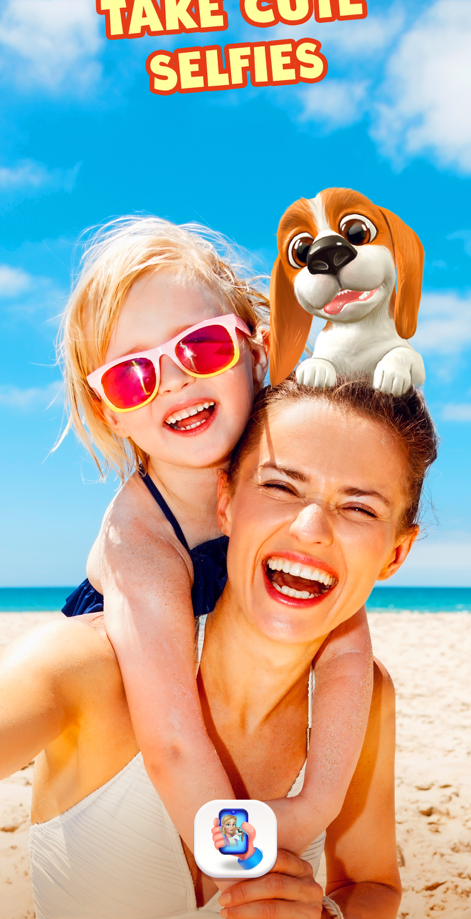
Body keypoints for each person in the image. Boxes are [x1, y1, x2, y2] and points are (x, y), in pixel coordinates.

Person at [0, 377, 438, 919]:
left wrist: (325, 914)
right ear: (226, 501)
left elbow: (371, 884)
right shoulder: (86, 666)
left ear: (395, 554)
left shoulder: (364, 699)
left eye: (360, 509)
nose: (311, 529)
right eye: (281, 487)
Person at [56, 215, 374, 853]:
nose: (174, 380)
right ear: (108, 411)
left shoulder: (292, 485)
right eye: (131, 375)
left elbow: (345, 647)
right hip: (133, 756)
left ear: (256, 351)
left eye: (201, 347)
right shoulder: (140, 541)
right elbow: (172, 746)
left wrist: (316, 805)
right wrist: (245, 863)